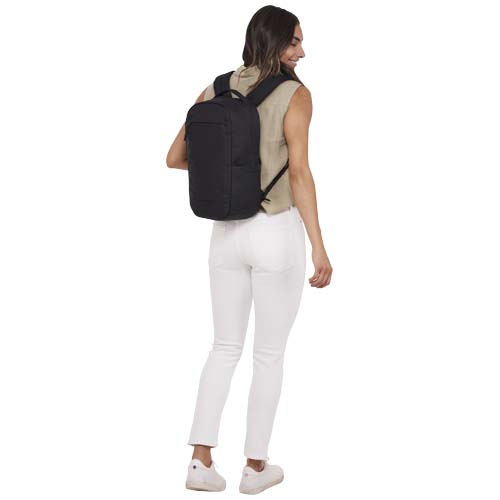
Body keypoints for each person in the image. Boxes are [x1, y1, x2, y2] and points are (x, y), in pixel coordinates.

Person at [166, 5, 333, 494]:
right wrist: (319, 247)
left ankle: (200, 462)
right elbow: (299, 173)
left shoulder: (215, 88)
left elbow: (175, 158)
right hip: (274, 232)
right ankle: (255, 468)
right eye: (294, 42)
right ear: (273, 41)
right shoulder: (295, 94)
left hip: (225, 235)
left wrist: (226, 171)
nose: (302, 52)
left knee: (223, 348)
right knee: (269, 355)